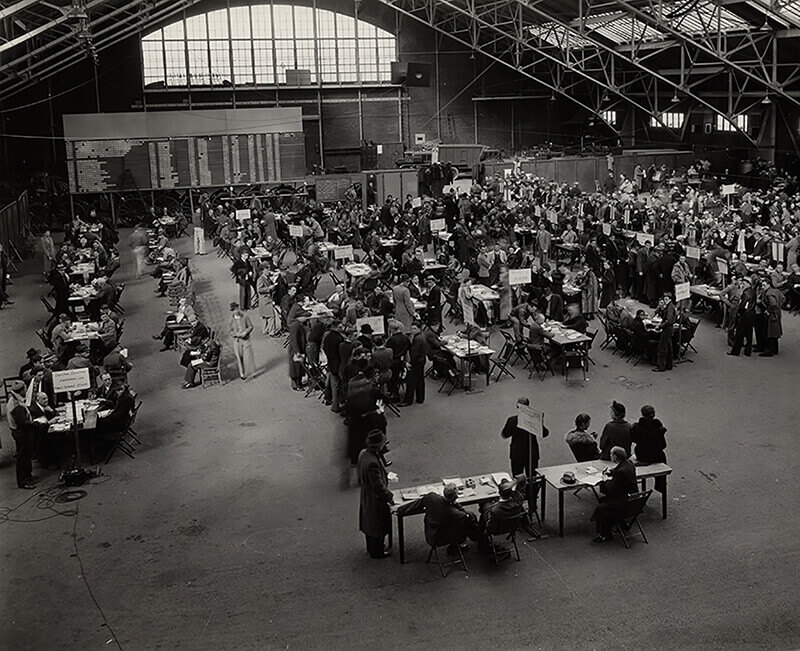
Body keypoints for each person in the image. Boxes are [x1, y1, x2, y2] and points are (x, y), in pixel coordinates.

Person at [397, 483, 482, 555]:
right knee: (470, 517)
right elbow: (464, 514)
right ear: (455, 497)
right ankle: (479, 539)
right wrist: (456, 505)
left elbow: (416, 504)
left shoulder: (431, 497)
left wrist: (400, 510)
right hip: (445, 537)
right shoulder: (456, 514)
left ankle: (475, 539)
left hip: (430, 533)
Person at [358, 429, 395, 559]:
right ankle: (377, 551)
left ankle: (371, 548)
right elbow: (377, 486)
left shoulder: (364, 454)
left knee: (369, 523)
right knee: (377, 524)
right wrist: (389, 496)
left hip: (366, 494)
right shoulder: (373, 463)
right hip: (375, 498)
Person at [591, 446, 638, 542]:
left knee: (601, 507)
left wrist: (604, 480)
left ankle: (605, 534)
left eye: (611, 454)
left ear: (616, 457)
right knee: (604, 501)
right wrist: (611, 472)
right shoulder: (629, 464)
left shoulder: (621, 472)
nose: (610, 456)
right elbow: (618, 471)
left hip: (622, 502)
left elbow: (611, 489)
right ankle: (621, 524)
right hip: (631, 500)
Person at [501, 396, 549, 477]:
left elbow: (504, 434)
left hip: (517, 453)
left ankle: (520, 490)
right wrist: (540, 422)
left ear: (517, 406)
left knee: (517, 476)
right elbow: (545, 433)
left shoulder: (512, 420)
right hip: (531, 453)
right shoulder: (535, 419)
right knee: (532, 477)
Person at [6, 380, 37, 489]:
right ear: (22, 390)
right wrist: (35, 423)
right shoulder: (16, 405)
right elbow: (23, 422)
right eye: (25, 388)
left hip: (20, 431)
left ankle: (28, 476)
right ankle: (23, 481)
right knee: (23, 456)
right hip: (22, 433)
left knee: (26, 455)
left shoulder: (14, 399)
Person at [630, 405, 668, 493]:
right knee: (662, 456)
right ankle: (661, 485)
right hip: (657, 456)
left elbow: (633, 439)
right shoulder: (658, 427)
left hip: (642, 455)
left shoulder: (638, 427)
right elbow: (663, 445)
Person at [400, 320, 427, 406]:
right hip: (421, 361)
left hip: (416, 362)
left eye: (415, 328)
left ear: (419, 328)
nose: (413, 330)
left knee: (411, 381)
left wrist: (409, 363)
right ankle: (420, 398)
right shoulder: (421, 336)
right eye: (412, 328)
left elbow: (414, 353)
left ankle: (408, 400)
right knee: (420, 380)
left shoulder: (418, 339)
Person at [229, 302, 255, 380]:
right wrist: (236, 334)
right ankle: (242, 373)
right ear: (232, 311)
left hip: (246, 339)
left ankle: (252, 371)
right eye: (234, 310)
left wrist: (246, 332)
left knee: (248, 356)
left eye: (237, 309)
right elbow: (229, 331)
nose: (236, 311)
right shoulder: (231, 320)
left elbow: (251, 326)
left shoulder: (245, 316)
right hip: (237, 341)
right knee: (239, 357)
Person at [758, 277, 784, 356]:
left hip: (772, 314)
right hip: (777, 313)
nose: (762, 287)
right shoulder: (776, 291)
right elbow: (783, 298)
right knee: (774, 332)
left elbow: (773, 304)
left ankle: (769, 351)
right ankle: (775, 350)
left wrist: (768, 310)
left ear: (768, 284)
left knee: (769, 332)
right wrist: (779, 306)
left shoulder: (768, 293)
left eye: (764, 285)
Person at [653, 292, 676, 372]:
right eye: (664, 299)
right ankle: (669, 365)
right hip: (669, 329)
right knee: (668, 347)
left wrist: (660, 326)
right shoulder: (670, 306)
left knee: (662, 348)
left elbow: (668, 320)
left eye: (666, 299)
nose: (665, 301)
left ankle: (661, 366)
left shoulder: (670, 308)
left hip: (667, 329)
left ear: (670, 300)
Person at [256, 266, 279, 336]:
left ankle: (265, 330)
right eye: (267, 270)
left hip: (266, 300)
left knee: (265, 316)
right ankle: (272, 331)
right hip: (265, 299)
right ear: (263, 271)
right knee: (271, 315)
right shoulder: (261, 279)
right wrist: (269, 288)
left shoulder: (267, 278)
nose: (269, 272)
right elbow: (259, 290)